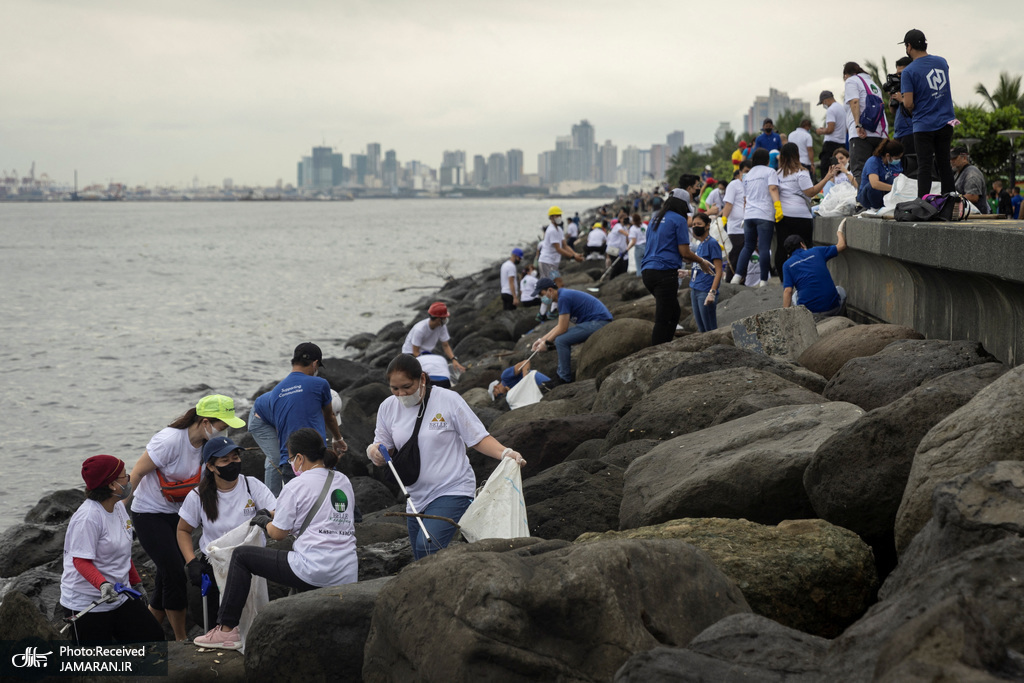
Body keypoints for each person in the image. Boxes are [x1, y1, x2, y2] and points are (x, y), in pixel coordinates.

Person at [193, 429, 358, 650]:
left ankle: (227, 630)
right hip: (347, 569)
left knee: (242, 556)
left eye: (291, 458)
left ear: (299, 458)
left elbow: (278, 534)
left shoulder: (295, 486)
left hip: (315, 569)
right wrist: (271, 516)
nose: (291, 463)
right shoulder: (342, 480)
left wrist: (262, 522)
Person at [368, 355, 525, 559]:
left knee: (428, 546)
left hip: (453, 488)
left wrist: (505, 453)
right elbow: (382, 444)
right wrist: (374, 452)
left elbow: (477, 437)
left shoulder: (448, 400)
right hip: (415, 496)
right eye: (394, 389)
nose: (401, 394)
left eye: (407, 386)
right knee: (420, 556)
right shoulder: (388, 407)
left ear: (422, 379)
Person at [129, 394, 245, 641]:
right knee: (173, 573)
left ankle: (144, 636)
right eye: (223, 425)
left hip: (177, 514)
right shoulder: (169, 441)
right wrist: (119, 515)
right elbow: (137, 473)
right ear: (205, 421)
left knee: (163, 579)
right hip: (148, 513)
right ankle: (181, 640)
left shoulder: (208, 446)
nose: (225, 431)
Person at [59, 455, 164, 643]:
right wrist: (102, 584)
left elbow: (122, 552)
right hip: (89, 603)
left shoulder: (118, 508)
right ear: (112, 485)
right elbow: (80, 561)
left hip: (121, 594)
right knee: (98, 664)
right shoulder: (88, 517)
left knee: (153, 639)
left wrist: (136, 582)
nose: (129, 479)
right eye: (124, 476)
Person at [176, 437, 277, 617]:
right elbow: (183, 530)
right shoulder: (198, 495)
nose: (232, 463)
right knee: (222, 620)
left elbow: (277, 510)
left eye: (235, 458)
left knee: (255, 614)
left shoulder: (251, 485)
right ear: (211, 466)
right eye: (225, 460)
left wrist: (266, 515)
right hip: (217, 564)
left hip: (252, 562)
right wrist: (191, 562)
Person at [249, 342, 346, 496]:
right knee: (274, 459)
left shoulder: (278, 390)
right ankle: (272, 503)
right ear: (315, 364)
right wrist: (338, 438)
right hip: (259, 418)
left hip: (291, 461)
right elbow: (329, 417)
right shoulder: (319, 384)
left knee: (298, 503)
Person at [640, 195, 715, 345]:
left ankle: (667, 344)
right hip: (664, 274)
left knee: (674, 312)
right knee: (663, 318)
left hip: (647, 272)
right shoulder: (678, 220)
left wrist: (682, 257)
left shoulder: (655, 219)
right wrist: (701, 261)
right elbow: (685, 252)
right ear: (682, 207)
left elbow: (659, 246)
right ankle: (657, 351)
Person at [899, 29, 955, 199]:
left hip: (923, 125)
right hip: (946, 121)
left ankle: (924, 203)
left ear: (908, 47)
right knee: (944, 162)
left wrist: (910, 106)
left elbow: (908, 103)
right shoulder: (942, 62)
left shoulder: (908, 72)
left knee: (925, 165)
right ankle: (950, 201)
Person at [529, 278, 614, 383]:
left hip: (599, 322)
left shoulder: (563, 297)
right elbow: (559, 326)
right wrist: (541, 340)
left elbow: (562, 328)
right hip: (594, 322)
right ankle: (561, 374)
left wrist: (546, 343)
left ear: (550, 290)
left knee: (561, 340)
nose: (542, 298)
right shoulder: (563, 296)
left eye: (542, 294)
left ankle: (564, 378)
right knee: (560, 339)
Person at [777, 143, 836, 275]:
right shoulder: (801, 172)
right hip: (801, 216)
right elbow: (810, 192)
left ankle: (785, 280)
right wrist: (827, 177)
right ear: (797, 155)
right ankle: (806, 274)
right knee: (805, 247)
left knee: (782, 247)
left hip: (783, 216)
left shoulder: (778, 174)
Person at [730, 148, 781, 287]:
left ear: (753, 160)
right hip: (764, 215)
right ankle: (763, 280)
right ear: (767, 160)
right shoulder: (770, 171)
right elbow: (773, 189)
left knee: (747, 246)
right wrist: (778, 206)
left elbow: (745, 199)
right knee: (764, 248)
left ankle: (737, 276)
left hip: (749, 216)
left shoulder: (747, 175)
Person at [782, 221, 848, 317]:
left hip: (811, 314)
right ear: (802, 244)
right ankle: (842, 318)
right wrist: (839, 232)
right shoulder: (816, 251)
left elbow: (787, 291)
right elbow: (842, 245)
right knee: (840, 290)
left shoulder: (787, 265)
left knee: (795, 295)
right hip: (833, 309)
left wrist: (785, 317)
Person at [843, 62, 888, 181]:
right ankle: (879, 199)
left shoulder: (851, 80)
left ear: (846, 75)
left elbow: (854, 102)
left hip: (861, 134)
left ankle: (864, 199)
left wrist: (858, 124)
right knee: (878, 171)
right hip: (880, 133)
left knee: (860, 170)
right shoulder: (873, 84)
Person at [401, 302, 466, 374]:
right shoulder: (420, 329)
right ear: (438, 318)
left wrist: (454, 359)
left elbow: (446, 345)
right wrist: (427, 361)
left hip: (426, 353)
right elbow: (415, 352)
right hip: (410, 354)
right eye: (444, 317)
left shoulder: (441, 326)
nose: (446, 319)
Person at [688, 213, 723, 332]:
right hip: (695, 289)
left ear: (707, 225)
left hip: (705, 290)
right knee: (702, 329)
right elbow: (701, 268)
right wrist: (687, 272)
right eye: (693, 224)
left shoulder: (712, 243)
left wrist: (712, 292)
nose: (695, 227)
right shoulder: (700, 244)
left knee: (710, 329)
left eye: (699, 224)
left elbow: (718, 270)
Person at [538, 205, 583, 280]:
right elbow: (558, 249)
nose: (559, 217)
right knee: (550, 285)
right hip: (547, 262)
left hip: (553, 262)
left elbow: (565, 246)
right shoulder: (551, 230)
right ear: (551, 217)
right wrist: (573, 257)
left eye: (560, 215)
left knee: (555, 284)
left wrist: (575, 254)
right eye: (557, 215)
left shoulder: (559, 229)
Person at [858, 139, 904, 210]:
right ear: (888, 155)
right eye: (896, 158)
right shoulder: (873, 161)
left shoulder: (893, 163)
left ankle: (887, 205)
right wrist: (894, 188)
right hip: (867, 196)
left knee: (895, 180)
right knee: (872, 187)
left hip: (882, 195)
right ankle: (874, 207)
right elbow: (874, 184)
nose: (898, 160)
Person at [891, 56, 917, 178]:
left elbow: (914, 110)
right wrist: (893, 99)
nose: (899, 77)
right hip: (898, 133)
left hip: (910, 132)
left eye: (901, 74)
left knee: (910, 168)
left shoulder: (914, 85)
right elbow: (892, 111)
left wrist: (902, 100)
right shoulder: (900, 88)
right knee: (898, 169)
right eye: (897, 74)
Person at [722, 162, 749, 278]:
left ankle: (743, 282)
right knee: (734, 256)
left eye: (750, 171)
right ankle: (730, 282)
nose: (748, 174)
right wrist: (723, 219)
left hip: (749, 226)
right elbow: (729, 204)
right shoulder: (734, 185)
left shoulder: (752, 185)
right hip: (736, 228)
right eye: (746, 171)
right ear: (740, 172)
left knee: (746, 257)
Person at [817, 91, 848, 180]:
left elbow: (830, 129)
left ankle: (825, 189)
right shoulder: (842, 109)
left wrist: (821, 131)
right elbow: (845, 128)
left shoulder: (831, 109)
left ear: (826, 100)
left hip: (830, 144)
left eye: (823, 103)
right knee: (838, 169)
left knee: (826, 168)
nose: (823, 105)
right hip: (841, 143)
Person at [950, 146, 989, 214]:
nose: (951, 161)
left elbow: (973, 196)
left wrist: (951, 200)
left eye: (954, 158)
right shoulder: (957, 173)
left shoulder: (971, 173)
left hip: (976, 217)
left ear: (964, 158)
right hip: (966, 215)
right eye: (950, 158)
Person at [605, 216, 630, 280]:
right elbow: (624, 233)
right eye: (624, 219)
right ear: (620, 220)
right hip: (613, 249)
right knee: (616, 265)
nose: (625, 220)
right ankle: (611, 279)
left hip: (620, 250)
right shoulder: (618, 226)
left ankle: (618, 279)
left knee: (622, 265)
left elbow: (626, 239)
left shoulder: (624, 227)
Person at [626, 213, 647, 277]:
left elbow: (634, 241)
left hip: (638, 248)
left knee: (639, 265)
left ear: (633, 221)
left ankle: (640, 277)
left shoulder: (633, 228)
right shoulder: (645, 226)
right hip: (647, 246)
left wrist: (628, 248)